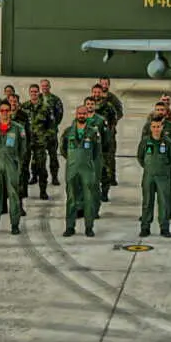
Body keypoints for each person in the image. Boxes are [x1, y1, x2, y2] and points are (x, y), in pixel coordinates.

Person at [60, 104, 103, 237]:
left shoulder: (93, 132)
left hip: (87, 170)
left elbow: (97, 151)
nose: (82, 116)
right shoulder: (68, 132)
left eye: (84, 114)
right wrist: (74, 159)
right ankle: (70, 227)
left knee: (88, 199)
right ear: (76, 115)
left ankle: (89, 227)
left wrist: (86, 160)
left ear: (87, 115)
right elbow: (63, 150)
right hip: (72, 170)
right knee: (71, 199)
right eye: (79, 113)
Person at [0, 102, 26, 234]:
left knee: (13, 194)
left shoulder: (18, 129)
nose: (5, 113)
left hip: (11, 164)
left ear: (11, 112)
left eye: (7, 110)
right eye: (2, 110)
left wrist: (15, 160)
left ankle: (15, 224)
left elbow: (22, 148)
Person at [136, 119, 171, 238]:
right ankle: (145, 227)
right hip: (149, 176)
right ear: (150, 128)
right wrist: (148, 167)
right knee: (147, 202)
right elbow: (140, 157)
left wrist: (164, 170)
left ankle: (164, 228)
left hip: (163, 178)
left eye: (158, 127)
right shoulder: (145, 141)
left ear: (162, 127)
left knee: (164, 203)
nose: (156, 129)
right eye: (154, 127)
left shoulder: (167, 142)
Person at [39, 79, 64, 186]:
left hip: (51, 133)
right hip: (39, 133)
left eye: (46, 86)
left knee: (53, 156)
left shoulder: (55, 99)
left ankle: (54, 177)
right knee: (39, 156)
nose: (44, 88)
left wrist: (53, 125)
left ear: (49, 87)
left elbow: (59, 114)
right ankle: (36, 176)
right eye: (43, 86)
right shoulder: (37, 98)